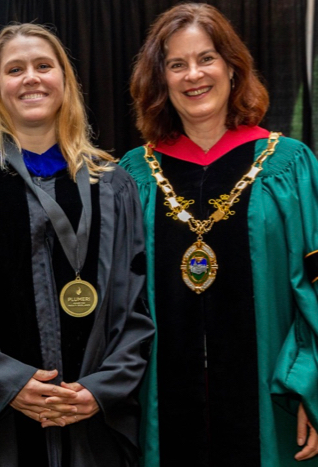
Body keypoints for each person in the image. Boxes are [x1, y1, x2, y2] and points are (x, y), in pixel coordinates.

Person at [0, 23, 155, 466]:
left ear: (65, 80)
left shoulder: (114, 186)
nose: (31, 78)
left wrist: (100, 390)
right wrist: (9, 384)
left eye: (44, 65)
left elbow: (135, 302)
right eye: (15, 69)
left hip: (90, 424)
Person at [120, 3, 318, 466]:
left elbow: (313, 287)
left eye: (206, 58)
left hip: (273, 399)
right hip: (159, 401)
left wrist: (311, 383)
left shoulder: (289, 165)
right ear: (161, 79)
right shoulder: (133, 175)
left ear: (232, 67)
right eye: (176, 64)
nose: (194, 75)